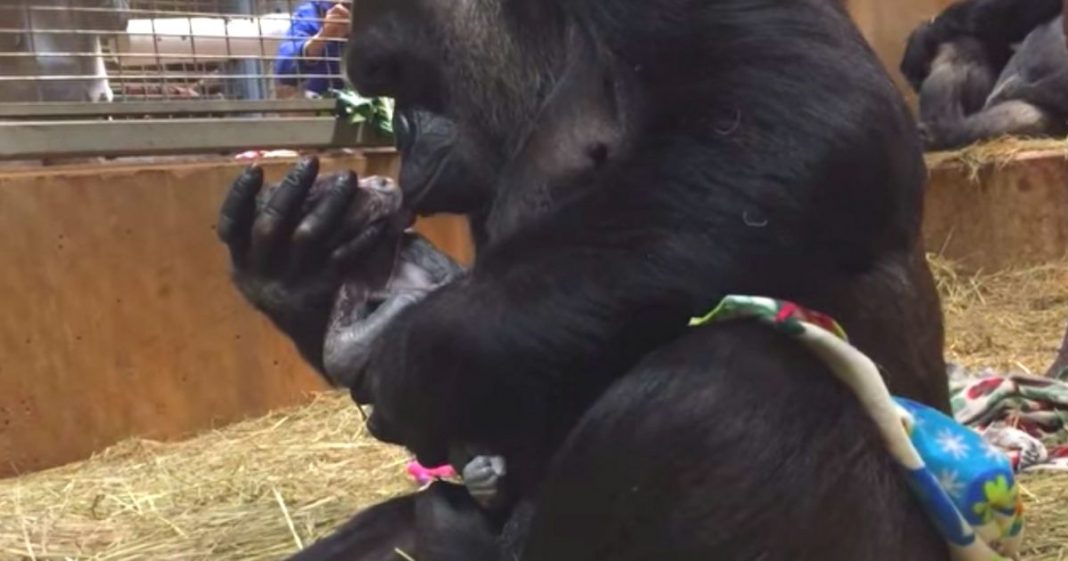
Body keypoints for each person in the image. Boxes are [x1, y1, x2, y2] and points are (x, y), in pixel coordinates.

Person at [274, 1, 349, 98]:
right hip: (323, 102)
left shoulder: (370, 12)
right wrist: (323, 36)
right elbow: (284, 67)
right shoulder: (311, 12)